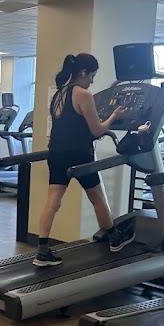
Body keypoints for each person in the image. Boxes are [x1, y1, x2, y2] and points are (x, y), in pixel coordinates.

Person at [35, 53, 132, 267]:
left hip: (56, 153)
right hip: (79, 155)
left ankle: (42, 251)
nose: (92, 81)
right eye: (92, 76)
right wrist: (114, 116)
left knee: (53, 201)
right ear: (83, 72)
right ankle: (115, 239)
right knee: (97, 198)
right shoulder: (83, 94)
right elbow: (97, 131)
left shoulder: (59, 93)